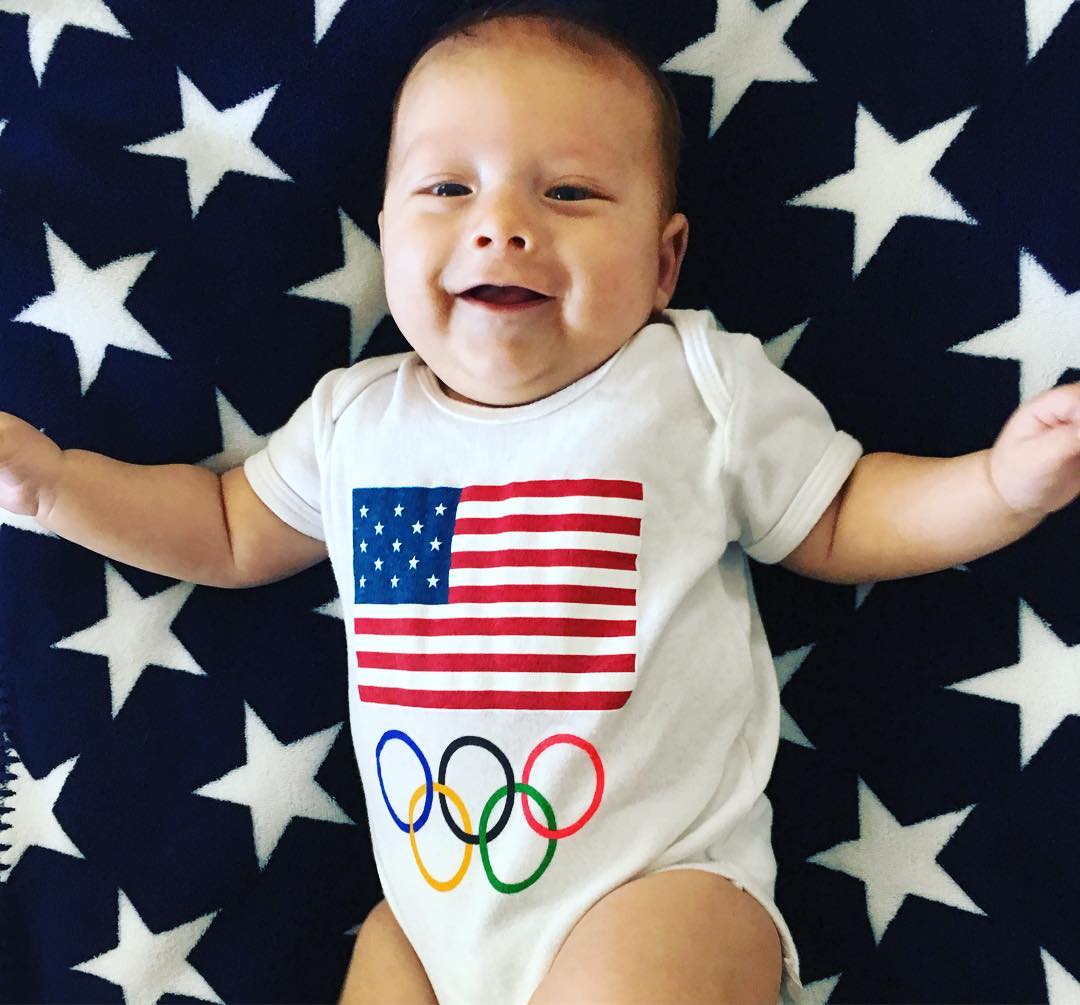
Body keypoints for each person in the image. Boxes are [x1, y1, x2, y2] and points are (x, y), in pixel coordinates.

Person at [2, 3, 1079, 1003]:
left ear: (664, 262)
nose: (501, 225)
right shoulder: (356, 421)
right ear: (386, 233)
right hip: (429, 912)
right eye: (446, 189)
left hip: (655, 886)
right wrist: (56, 487)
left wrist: (996, 486)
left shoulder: (692, 384)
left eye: (567, 194)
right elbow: (228, 528)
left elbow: (841, 515)